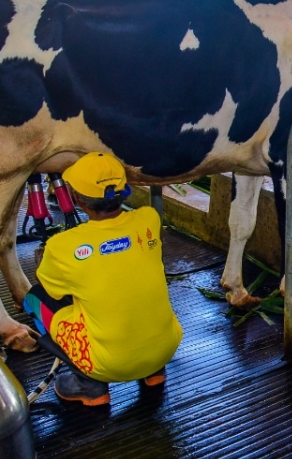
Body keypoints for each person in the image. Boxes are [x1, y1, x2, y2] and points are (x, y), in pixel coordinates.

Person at [23, 152, 183, 406]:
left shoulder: (61, 246)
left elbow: (53, 292)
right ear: (125, 191)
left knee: (33, 299)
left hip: (110, 364)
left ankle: (88, 384)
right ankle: (153, 372)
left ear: (76, 199)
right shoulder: (149, 219)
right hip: (166, 347)